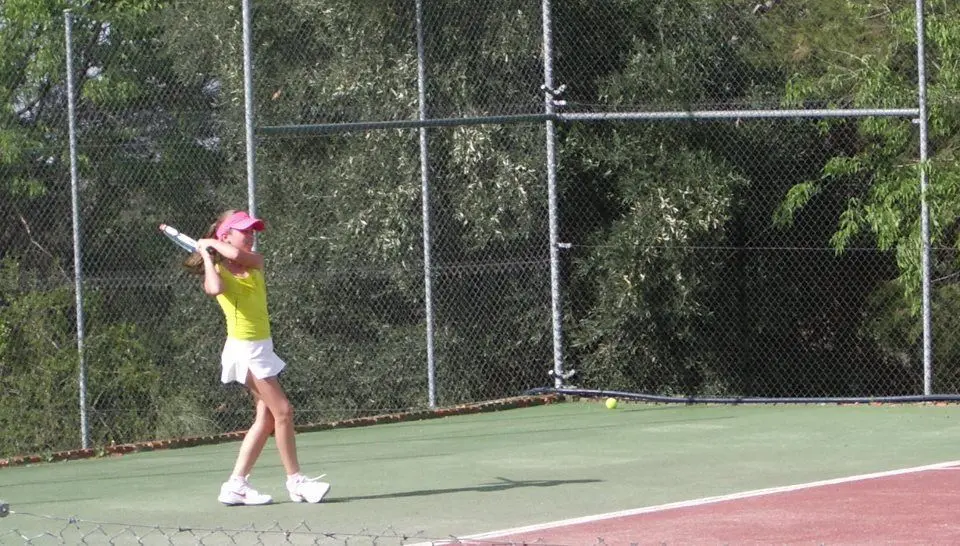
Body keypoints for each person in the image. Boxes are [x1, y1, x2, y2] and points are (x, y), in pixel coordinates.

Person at [184, 209, 330, 506]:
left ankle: (235, 485)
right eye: (243, 231)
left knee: (265, 419)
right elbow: (213, 289)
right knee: (284, 412)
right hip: (245, 350)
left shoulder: (254, 263)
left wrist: (210, 244)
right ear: (226, 234)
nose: (250, 235)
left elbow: (238, 254)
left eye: (252, 231)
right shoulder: (220, 271)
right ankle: (296, 481)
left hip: (262, 347)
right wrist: (209, 256)